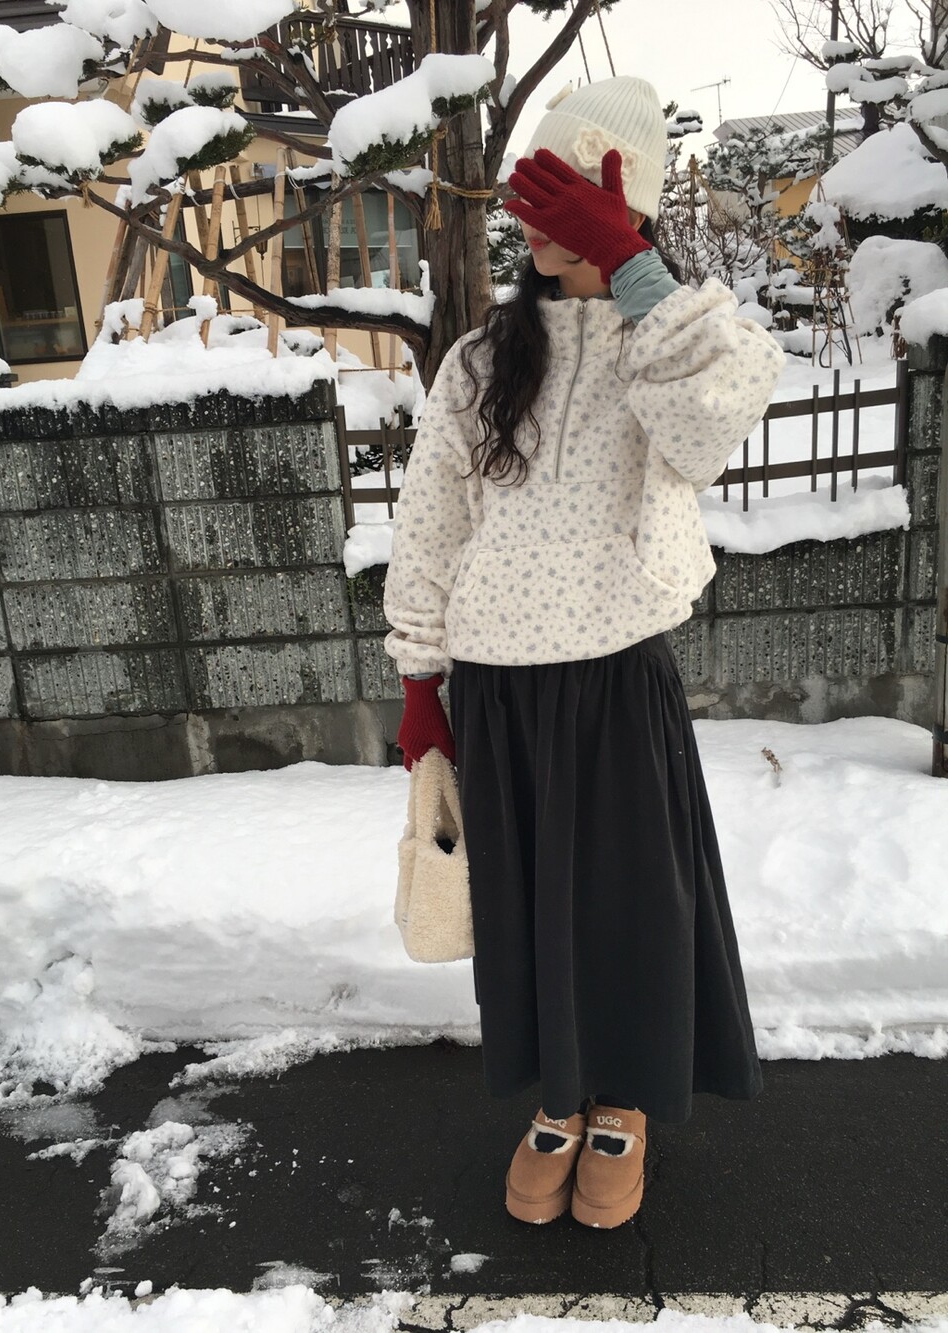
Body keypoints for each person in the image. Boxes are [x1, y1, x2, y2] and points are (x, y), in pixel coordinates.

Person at [383, 76, 786, 1229]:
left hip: (616, 680)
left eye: (580, 203)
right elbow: (431, 523)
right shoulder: (479, 359)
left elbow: (715, 418)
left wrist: (630, 266)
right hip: (497, 689)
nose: (549, 227)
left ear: (629, 208)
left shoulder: (667, 340)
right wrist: (419, 682)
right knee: (526, 913)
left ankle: (627, 1104)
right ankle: (559, 1098)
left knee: (629, 907)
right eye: (541, 201)